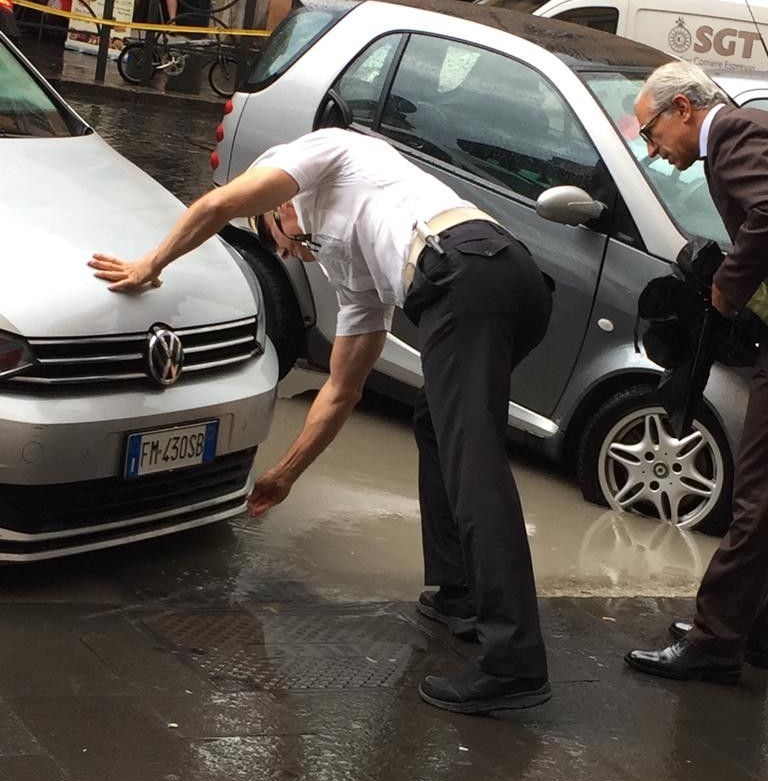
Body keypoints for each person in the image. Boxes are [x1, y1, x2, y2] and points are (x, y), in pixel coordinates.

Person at [87, 127, 553, 716]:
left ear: (280, 207)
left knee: (473, 461)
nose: (283, 252)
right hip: (503, 278)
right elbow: (341, 390)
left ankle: (514, 660)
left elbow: (218, 203)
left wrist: (150, 265)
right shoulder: (350, 267)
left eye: (273, 236)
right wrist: (284, 474)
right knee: (437, 423)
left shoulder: (323, 151)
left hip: (463, 271)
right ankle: (458, 591)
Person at [626, 60, 768, 685]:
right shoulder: (745, 131)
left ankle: (714, 642)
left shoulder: (735, 134)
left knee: (757, 498)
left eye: (651, 131)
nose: (652, 150)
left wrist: (726, 290)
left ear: (682, 108)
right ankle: (748, 629)